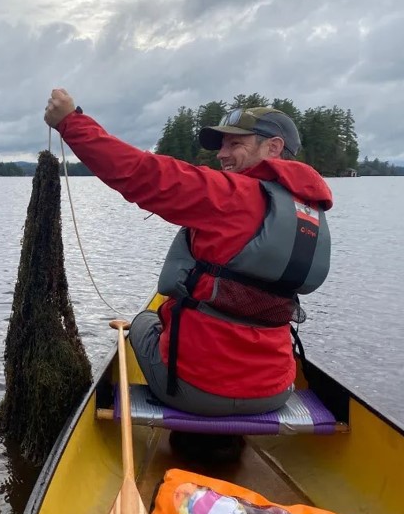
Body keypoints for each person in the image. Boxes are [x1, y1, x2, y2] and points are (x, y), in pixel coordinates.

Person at [43, 89, 332, 417]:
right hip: (275, 391)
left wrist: (70, 121)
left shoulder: (231, 194)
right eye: (221, 145)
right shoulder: (308, 212)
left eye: (235, 144)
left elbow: (140, 172)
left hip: (195, 391)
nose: (221, 155)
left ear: (274, 147)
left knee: (143, 321)